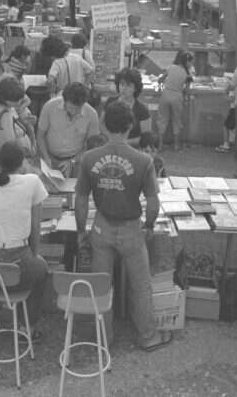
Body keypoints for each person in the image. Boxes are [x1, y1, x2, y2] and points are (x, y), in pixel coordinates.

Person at [74, 102, 172, 352]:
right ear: (130, 126)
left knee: (101, 286)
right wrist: (149, 226)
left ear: (105, 126)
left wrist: (81, 232)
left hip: (101, 228)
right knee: (141, 285)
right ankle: (148, 336)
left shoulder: (89, 158)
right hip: (131, 230)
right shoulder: (144, 160)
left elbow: (82, 199)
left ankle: (104, 339)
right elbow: (152, 202)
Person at [0, 140, 50, 336]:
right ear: (22, 162)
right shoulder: (32, 182)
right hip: (19, 257)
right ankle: (27, 327)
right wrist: (34, 253)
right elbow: (35, 226)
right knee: (41, 270)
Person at [36, 82, 100, 176]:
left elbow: (91, 146)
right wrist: (46, 157)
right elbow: (40, 135)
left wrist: (73, 161)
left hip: (76, 161)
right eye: (71, 107)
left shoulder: (92, 115)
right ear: (64, 101)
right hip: (49, 157)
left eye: (78, 109)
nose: (74, 112)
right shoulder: (49, 107)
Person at [0, 75, 37, 159]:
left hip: (19, 150)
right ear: (6, 100)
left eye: (21, 99)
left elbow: (25, 123)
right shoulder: (5, 115)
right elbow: (9, 143)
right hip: (16, 155)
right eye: (17, 101)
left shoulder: (10, 105)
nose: (20, 102)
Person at [104, 68, 152, 148]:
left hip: (132, 149)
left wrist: (124, 142)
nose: (124, 88)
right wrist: (111, 139)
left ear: (135, 88)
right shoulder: (110, 102)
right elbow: (101, 124)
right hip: (110, 145)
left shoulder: (142, 110)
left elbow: (146, 137)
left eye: (129, 85)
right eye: (122, 84)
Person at [156, 51, 193, 152]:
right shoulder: (186, 73)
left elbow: (160, 80)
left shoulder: (171, 67)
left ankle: (160, 145)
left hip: (166, 94)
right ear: (187, 62)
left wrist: (162, 85)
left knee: (162, 119)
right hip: (177, 97)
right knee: (177, 120)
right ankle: (176, 145)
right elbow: (186, 90)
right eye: (190, 62)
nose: (191, 65)